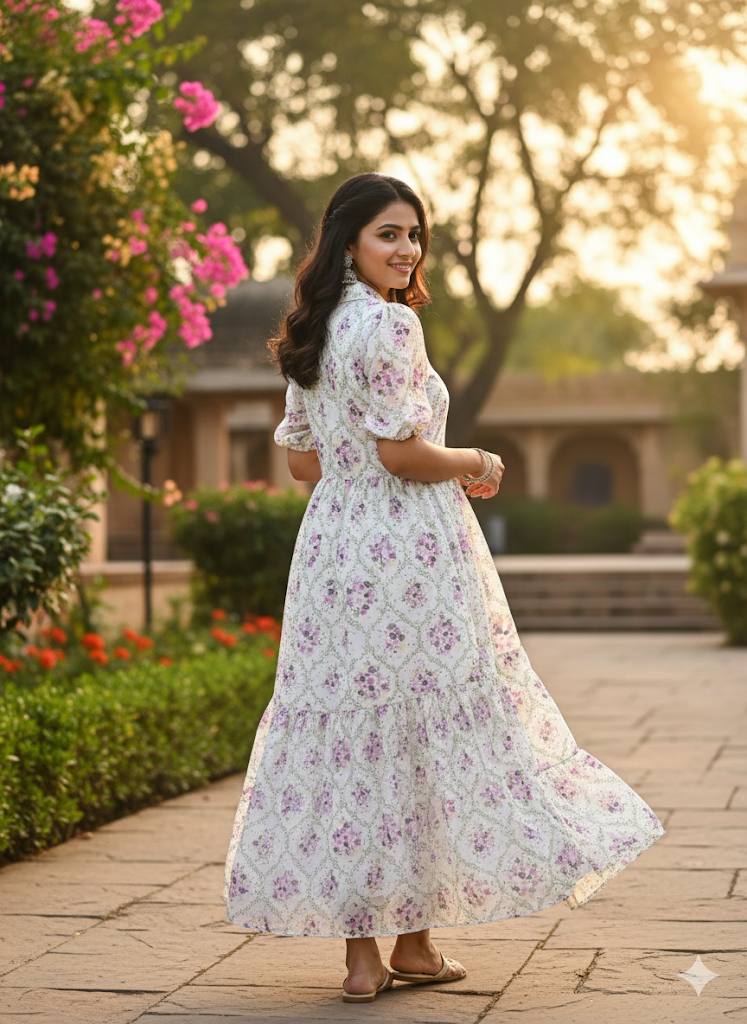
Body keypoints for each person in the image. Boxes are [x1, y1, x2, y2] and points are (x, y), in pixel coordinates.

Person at [223, 172, 666, 1004]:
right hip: (408, 553)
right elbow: (402, 455)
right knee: (419, 732)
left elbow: (303, 463)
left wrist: (358, 474)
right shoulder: (390, 325)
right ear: (348, 241)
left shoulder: (312, 328)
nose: (407, 249)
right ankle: (415, 946)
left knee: (353, 739)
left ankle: (370, 958)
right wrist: (476, 461)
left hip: (333, 552)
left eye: (414, 234)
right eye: (388, 234)